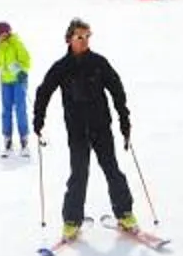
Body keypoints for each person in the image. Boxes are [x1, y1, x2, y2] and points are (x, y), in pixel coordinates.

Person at [33, 17, 135, 242]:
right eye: (80, 36)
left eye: (88, 36)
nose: (85, 40)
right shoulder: (61, 67)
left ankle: (125, 214)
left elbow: (117, 90)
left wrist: (124, 120)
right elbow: (44, 92)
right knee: (79, 173)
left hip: (101, 127)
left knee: (112, 169)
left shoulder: (99, 63)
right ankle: (71, 221)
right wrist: (38, 121)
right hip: (77, 130)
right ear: (69, 39)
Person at [0, 20, 32, 154]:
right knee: (6, 110)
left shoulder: (16, 44)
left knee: (20, 109)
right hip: (5, 82)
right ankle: (7, 137)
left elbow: (27, 61)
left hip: (18, 81)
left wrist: (21, 72)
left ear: (6, 33)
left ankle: (24, 137)